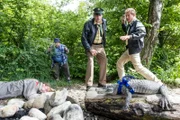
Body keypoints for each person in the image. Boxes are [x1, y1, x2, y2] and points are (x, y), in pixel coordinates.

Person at [116, 8, 162, 85]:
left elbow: (142, 33)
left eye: (128, 15)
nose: (126, 17)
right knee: (119, 63)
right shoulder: (131, 24)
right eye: (126, 15)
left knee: (139, 68)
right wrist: (123, 23)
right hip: (129, 49)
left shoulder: (138, 23)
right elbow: (127, 30)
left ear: (133, 15)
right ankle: (122, 81)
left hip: (134, 49)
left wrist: (129, 36)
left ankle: (157, 82)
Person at [81, 8, 107, 90]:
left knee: (104, 61)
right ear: (94, 15)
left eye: (99, 15)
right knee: (90, 62)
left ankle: (102, 82)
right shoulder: (88, 24)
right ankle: (89, 84)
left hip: (100, 46)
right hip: (91, 46)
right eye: (96, 15)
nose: (98, 17)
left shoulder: (104, 22)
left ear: (102, 15)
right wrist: (89, 49)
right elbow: (83, 38)